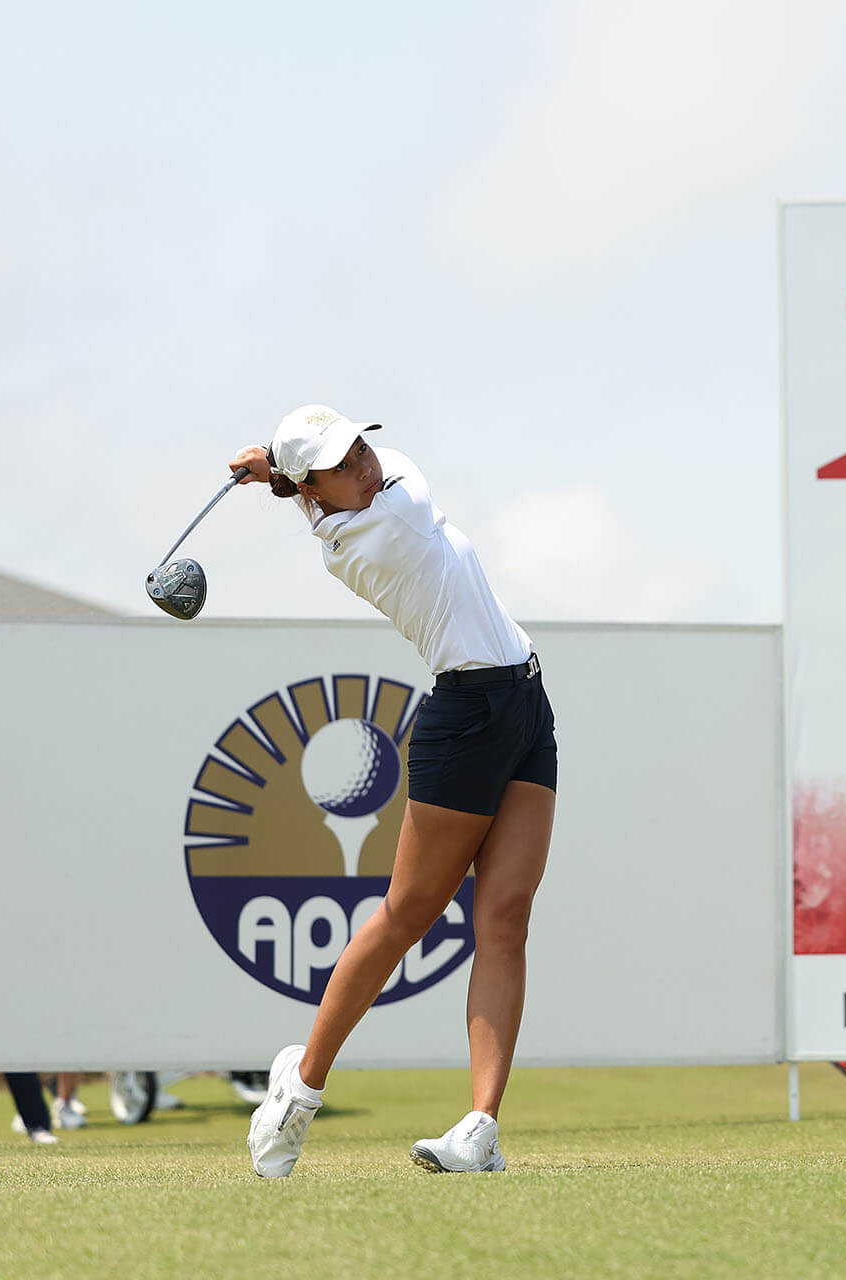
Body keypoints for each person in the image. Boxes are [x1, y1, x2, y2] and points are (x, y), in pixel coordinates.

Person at [229, 405, 557, 1178]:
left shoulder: (355, 500)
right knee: (407, 913)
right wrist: (273, 470)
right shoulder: (388, 521)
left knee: (505, 917)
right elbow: (393, 473)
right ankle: (298, 1095)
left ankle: (480, 1128)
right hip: (468, 714)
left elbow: (339, 473)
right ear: (315, 487)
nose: (366, 465)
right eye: (342, 465)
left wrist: (274, 470)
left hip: (525, 704)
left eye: (361, 447)